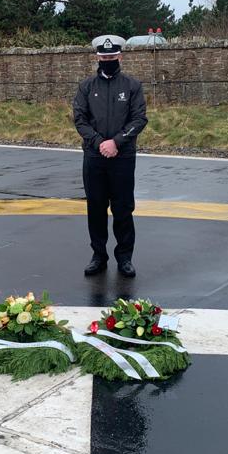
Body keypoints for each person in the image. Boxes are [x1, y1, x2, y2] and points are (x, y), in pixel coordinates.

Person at [72, 35, 148, 278]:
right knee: (95, 207)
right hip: (94, 157)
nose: (107, 60)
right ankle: (98, 256)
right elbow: (80, 120)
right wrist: (99, 143)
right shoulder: (86, 87)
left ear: (120, 57)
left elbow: (139, 119)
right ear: (97, 58)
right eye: (103, 57)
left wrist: (116, 142)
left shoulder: (132, 86)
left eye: (112, 57)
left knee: (123, 208)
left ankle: (125, 258)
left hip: (122, 157)